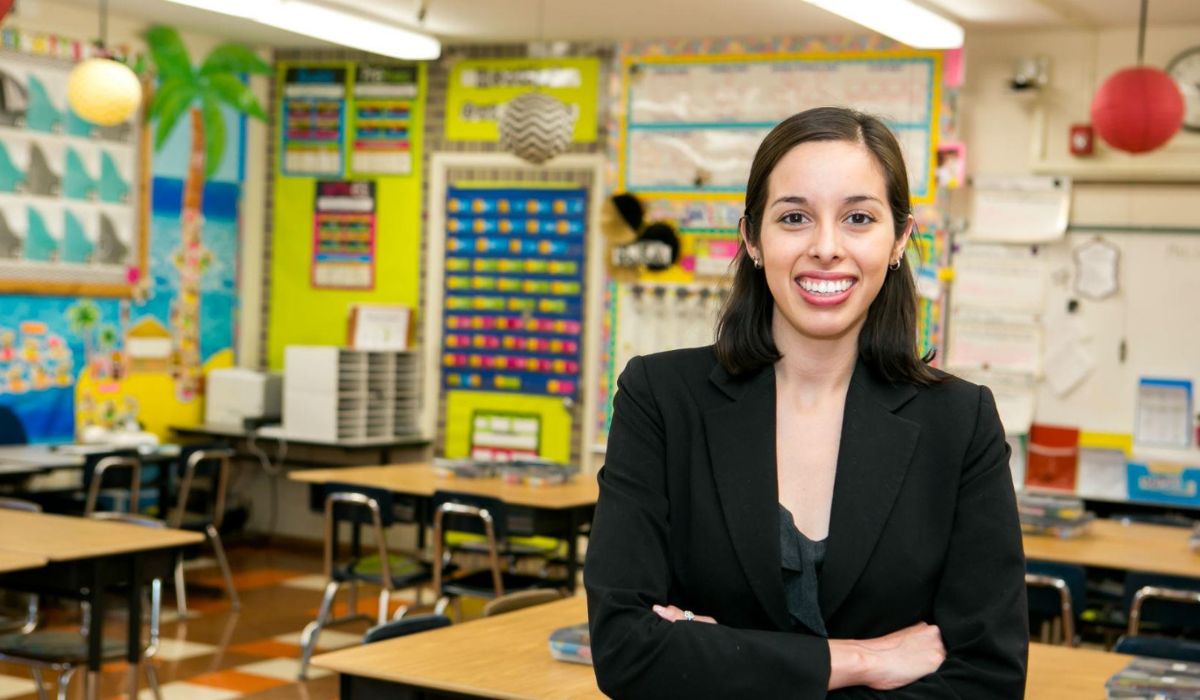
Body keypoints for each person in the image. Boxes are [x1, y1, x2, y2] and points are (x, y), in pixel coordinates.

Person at [584, 106, 1028, 698]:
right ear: (752, 238)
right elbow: (625, 650)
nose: (826, 247)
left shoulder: (960, 421)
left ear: (899, 239)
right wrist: (860, 661)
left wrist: (719, 659)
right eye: (794, 217)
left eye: (858, 218)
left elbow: (988, 678)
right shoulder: (661, 399)